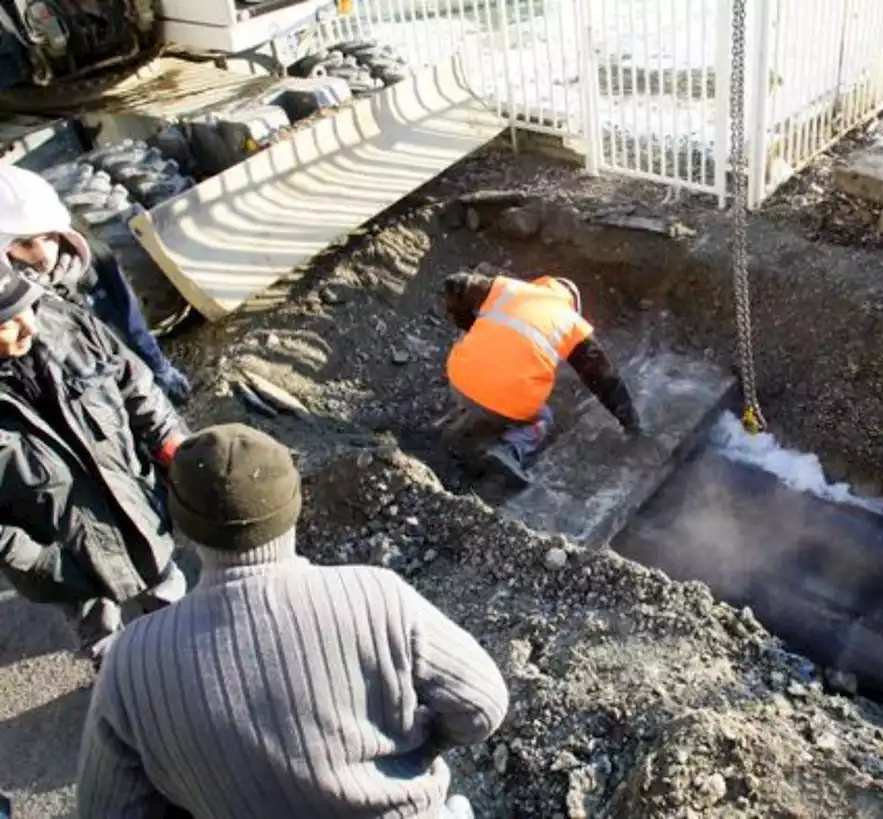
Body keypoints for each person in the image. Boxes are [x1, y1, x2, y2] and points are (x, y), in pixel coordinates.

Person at [77, 423, 509, 819]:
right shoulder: (374, 594)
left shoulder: (128, 664)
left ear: (182, 525)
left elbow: (107, 811)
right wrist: (417, 750)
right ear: (293, 506)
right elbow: (482, 705)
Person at [0, 263, 188, 668]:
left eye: (24, 307)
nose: (28, 328)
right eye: (5, 324)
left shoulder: (60, 320)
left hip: (137, 512)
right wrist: (40, 562)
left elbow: (132, 380)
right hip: (64, 559)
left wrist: (171, 443)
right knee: (106, 643)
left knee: (171, 596)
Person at [0, 164, 192, 403]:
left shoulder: (94, 258)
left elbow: (130, 319)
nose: (44, 256)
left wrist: (159, 368)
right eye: (26, 244)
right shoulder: (11, 305)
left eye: (48, 237)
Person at [441, 269, 643, 485]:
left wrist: (468, 325)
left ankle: (471, 415)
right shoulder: (571, 322)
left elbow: (455, 283)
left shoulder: (508, 288)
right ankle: (510, 450)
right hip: (501, 402)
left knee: (490, 385)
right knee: (542, 418)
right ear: (573, 306)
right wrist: (632, 424)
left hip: (458, 377)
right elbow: (605, 380)